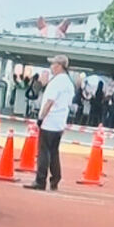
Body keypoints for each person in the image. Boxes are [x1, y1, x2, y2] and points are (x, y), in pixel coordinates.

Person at [24, 54, 75, 191]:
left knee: (44, 152)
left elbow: (49, 102)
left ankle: (40, 180)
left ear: (59, 66)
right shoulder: (68, 83)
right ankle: (55, 179)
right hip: (60, 122)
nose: (51, 67)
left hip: (50, 121)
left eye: (53, 64)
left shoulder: (57, 82)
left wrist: (40, 118)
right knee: (53, 152)